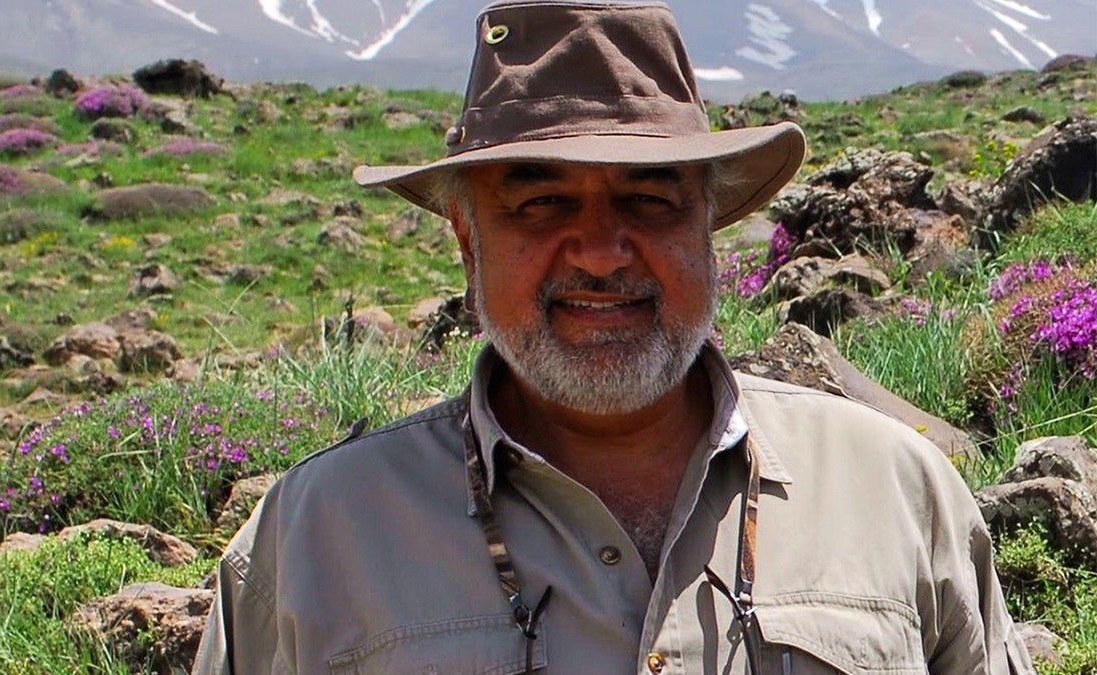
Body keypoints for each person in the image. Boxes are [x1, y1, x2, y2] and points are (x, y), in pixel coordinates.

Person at [194, 2, 1035, 673]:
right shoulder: (311, 537)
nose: (600, 250)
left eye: (650, 198)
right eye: (540, 202)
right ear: (468, 243)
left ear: (708, 227)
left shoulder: (894, 489)